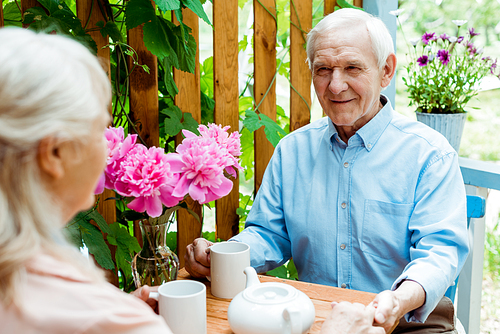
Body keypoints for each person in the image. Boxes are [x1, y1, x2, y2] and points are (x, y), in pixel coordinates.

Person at [185, 8, 469, 334]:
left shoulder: (429, 155)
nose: (335, 86)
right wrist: (219, 257)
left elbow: (439, 254)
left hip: (403, 321)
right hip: (316, 318)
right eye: (323, 69)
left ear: (386, 70)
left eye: (351, 68)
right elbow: (268, 235)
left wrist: (398, 300)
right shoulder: (292, 151)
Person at [0, 27, 173, 333]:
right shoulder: (122, 324)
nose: (107, 144)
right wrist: (116, 312)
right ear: (54, 152)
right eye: (98, 129)